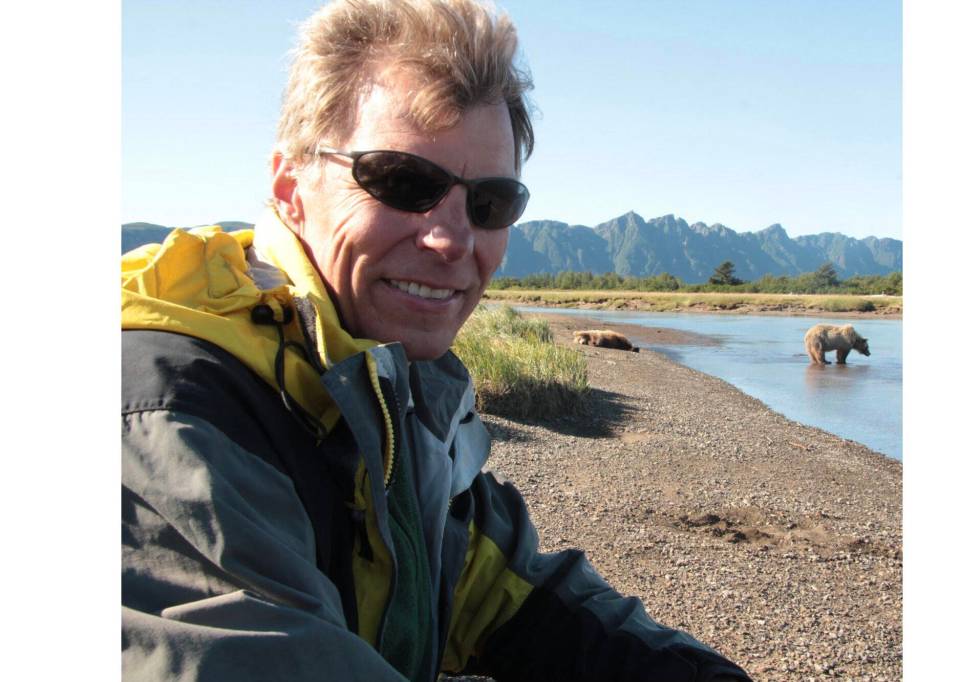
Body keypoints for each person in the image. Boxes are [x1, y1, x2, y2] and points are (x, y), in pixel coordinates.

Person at [121, 1, 752, 680]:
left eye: (490, 203)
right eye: (402, 182)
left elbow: (494, 590)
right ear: (290, 186)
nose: (451, 239)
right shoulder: (174, 415)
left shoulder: (389, 385)